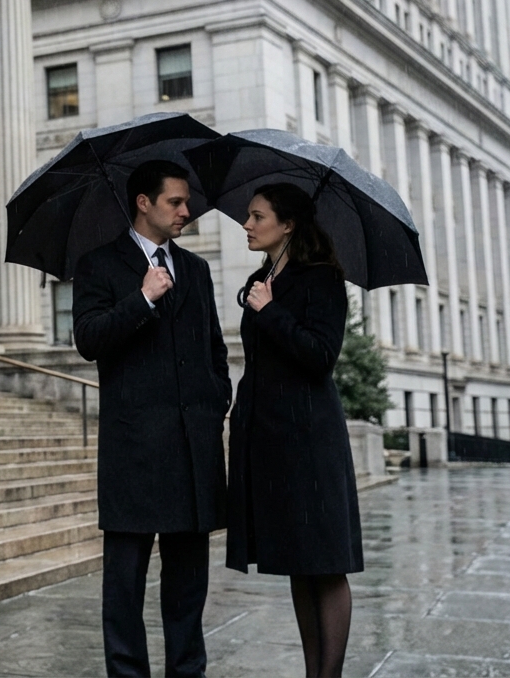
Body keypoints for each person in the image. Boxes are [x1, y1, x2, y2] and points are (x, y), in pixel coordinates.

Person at [73, 160, 232, 677]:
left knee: (189, 588)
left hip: (193, 453)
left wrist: (215, 403)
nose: (187, 212)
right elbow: (89, 340)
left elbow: (214, 350)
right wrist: (142, 298)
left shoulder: (198, 270)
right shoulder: (98, 265)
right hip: (134, 454)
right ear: (144, 203)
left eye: (187, 202)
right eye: (176, 203)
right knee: (124, 586)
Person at [228, 182, 362, 678]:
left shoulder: (322, 279)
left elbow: (320, 356)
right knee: (297, 561)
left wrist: (270, 311)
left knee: (325, 563)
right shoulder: (262, 279)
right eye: (248, 215)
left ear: (287, 225)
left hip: (311, 438)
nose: (247, 224)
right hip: (269, 438)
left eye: (257, 216)